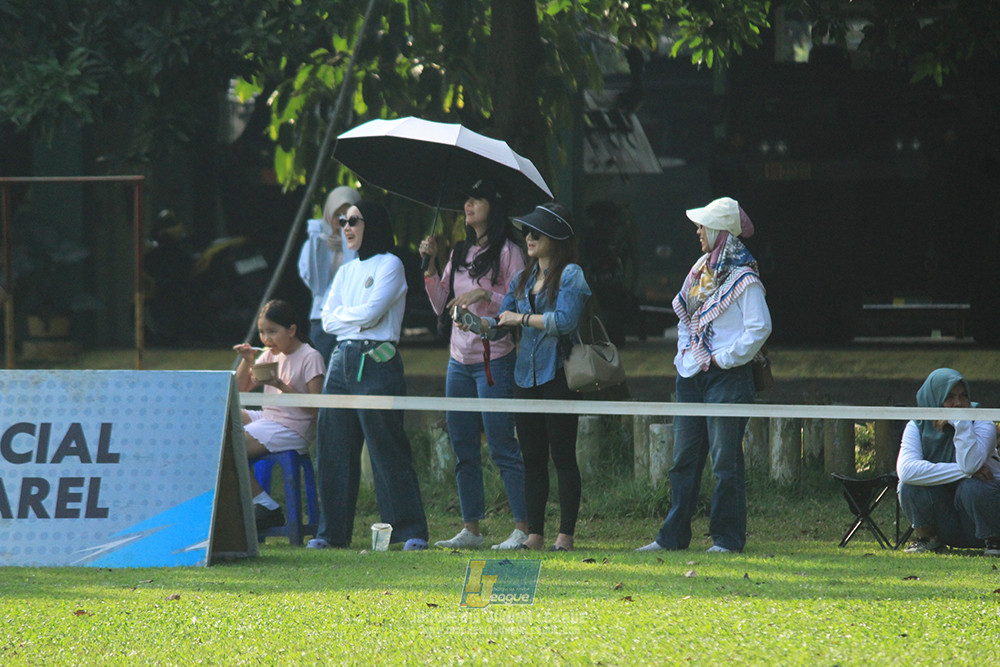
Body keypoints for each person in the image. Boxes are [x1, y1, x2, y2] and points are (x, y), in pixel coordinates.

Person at [637, 196, 771, 554]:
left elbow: (759, 328)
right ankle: (672, 537)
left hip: (727, 377)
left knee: (725, 462)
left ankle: (727, 539)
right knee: (684, 459)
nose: (697, 232)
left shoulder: (743, 277)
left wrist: (723, 358)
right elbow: (686, 317)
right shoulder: (699, 270)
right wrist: (686, 355)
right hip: (693, 375)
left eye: (703, 227)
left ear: (719, 231)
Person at [308, 200, 430, 551]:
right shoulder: (346, 270)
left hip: (376, 359)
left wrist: (351, 318)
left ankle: (408, 531)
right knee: (333, 447)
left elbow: (374, 312)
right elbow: (326, 320)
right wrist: (357, 319)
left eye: (353, 221)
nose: (346, 227)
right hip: (340, 360)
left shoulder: (391, 264)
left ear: (372, 224)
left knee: (386, 447)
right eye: (343, 221)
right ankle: (331, 534)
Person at [420, 178, 529, 550]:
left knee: (501, 445)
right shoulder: (460, 252)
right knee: (463, 446)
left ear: (493, 207)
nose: (468, 205)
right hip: (458, 361)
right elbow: (441, 305)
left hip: (494, 359)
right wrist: (431, 265)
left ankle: (522, 528)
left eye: (476, 199)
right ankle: (472, 529)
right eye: (466, 199)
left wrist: (485, 293)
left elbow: (519, 302)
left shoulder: (510, 252)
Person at [485, 202, 591, 552]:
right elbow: (500, 323)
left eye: (536, 232)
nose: (528, 237)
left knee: (562, 456)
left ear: (556, 237)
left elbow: (565, 321)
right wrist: (477, 323)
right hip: (524, 377)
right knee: (531, 458)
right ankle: (535, 535)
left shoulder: (571, 274)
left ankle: (565, 536)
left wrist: (521, 320)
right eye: (527, 231)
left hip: (558, 374)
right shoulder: (522, 279)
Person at [233, 300, 326, 531]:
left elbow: (316, 407)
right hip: (269, 417)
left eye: (272, 332)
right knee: (223, 419)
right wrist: (248, 360)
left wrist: (281, 385)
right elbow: (240, 390)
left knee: (229, 444)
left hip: (294, 426)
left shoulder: (310, 357)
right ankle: (252, 504)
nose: (266, 339)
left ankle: (265, 505)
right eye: (262, 332)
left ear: (291, 330)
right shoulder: (270, 355)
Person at [897, 368, 1000, 555]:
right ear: (934, 399)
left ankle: (994, 541)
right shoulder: (916, 426)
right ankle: (928, 540)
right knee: (909, 487)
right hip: (946, 519)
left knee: (973, 487)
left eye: (963, 396)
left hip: (982, 515)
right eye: (949, 397)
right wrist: (965, 472)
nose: (958, 403)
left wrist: (961, 423)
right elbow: (907, 471)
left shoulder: (982, 422)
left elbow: (970, 464)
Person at [297, 186, 362, 363]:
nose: (342, 220)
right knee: (319, 363)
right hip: (321, 315)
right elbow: (312, 279)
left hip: (351, 316)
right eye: (337, 214)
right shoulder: (315, 243)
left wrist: (347, 246)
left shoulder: (363, 247)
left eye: (347, 215)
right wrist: (318, 244)